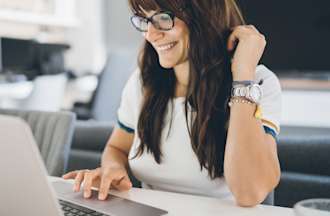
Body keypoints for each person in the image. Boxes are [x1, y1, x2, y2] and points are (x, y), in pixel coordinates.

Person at [63, 0, 282, 207]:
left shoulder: (258, 83)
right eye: (145, 20)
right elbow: (116, 147)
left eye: (162, 18)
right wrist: (112, 168)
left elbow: (250, 193)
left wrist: (243, 74)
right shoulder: (143, 82)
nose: (150, 34)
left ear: (204, 16)